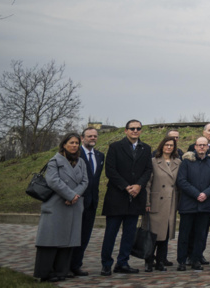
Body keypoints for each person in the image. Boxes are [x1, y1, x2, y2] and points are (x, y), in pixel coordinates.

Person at [34, 133, 89, 282]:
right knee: (50, 239)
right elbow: (53, 181)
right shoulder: (55, 161)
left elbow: (85, 181)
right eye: (71, 142)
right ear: (64, 144)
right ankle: (46, 273)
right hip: (57, 204)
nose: (74, 145)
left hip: (73, 206)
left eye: (77, 143)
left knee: (68, 240)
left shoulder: (81, 162)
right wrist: (70, 195)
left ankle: (61, 271)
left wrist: (74, 196)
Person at [101, 119, 153, 276]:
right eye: (132, 128)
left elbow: (148, 170)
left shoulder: (146, 148)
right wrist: (125, 186)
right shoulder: (115, 147)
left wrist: (139, 186)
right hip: (117, 196)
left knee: (129, 234)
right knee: (111, 233)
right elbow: (110, 170)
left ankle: (122, 263)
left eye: (138, 128)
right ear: (126, 130)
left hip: (136, 197)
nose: (135, 131)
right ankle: (106, 264)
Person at [176, 137, 210, 271]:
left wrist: (205, 193)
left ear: (208, 147)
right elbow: (182, 181)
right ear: (195, 147)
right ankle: (182, 261)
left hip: (205, 205)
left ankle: (196, 260)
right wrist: (196, 194)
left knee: (200, 235)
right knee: (185, 234)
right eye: (199, 145)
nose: (202, 147)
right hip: (188, 205)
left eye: (204, 145)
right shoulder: (187, 162)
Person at [69, 127, 104, 277]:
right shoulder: (75, 154)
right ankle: (65, 265)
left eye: (95, 136)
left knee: (85, 235)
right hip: (76, 200)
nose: (92, 138)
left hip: (91, 202)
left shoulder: (100, 155)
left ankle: (77, 265)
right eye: (89, 136)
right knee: (72, 234)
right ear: (83, 138)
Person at [144, 137, 180, 271]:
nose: (169, 147)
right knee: (153, 235)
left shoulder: (178, 162)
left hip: (170, 202)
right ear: (161, 146)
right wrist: (147, 201)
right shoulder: (153, 162)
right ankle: (148, 261)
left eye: (171, 145)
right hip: (155, 202)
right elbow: (147, 184)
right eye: (166, 145)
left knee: (164, 234)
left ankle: (160, 261)